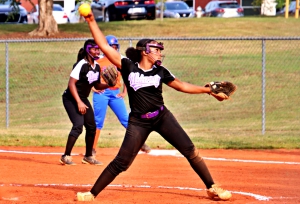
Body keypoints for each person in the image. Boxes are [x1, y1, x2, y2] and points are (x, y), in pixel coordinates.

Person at [76, 12, 232, 201]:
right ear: (144, 51)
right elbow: (104, 46)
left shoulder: (161, 71)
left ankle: (212, 187)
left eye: (160, 50)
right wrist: (91, 20)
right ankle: (91, 193)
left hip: (162, 117)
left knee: (190, 150)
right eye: (156, 49)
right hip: (138, 122)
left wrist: (207, 90)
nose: (159, 52)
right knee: (121, 163)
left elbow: (181, 85)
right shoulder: (128, 66)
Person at [92, 35, 151, 156]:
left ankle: (141, 143)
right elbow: (88, 76)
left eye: (115, 46)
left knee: (126, 119)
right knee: (98, 122)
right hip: (101, 94)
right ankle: (91, 149)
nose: (114, 48)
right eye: (111, 46)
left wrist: (124, 92)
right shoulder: (97, 61)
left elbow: (128, 76)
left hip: (115, 93)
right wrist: (93, 88)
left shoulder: (120, 60)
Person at [60, 39, 115, 166]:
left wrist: (108, 85)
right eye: (95, 49)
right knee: (78, 125)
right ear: (88, 50)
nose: (98, 51)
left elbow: (96, 85)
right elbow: (71, 84)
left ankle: (88, 156)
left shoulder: (97, 67)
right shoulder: (81, 64)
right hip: (71, 98)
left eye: (98, 49)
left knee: (91, 127)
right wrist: (79, 102)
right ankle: (66, 156)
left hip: (82, 98)